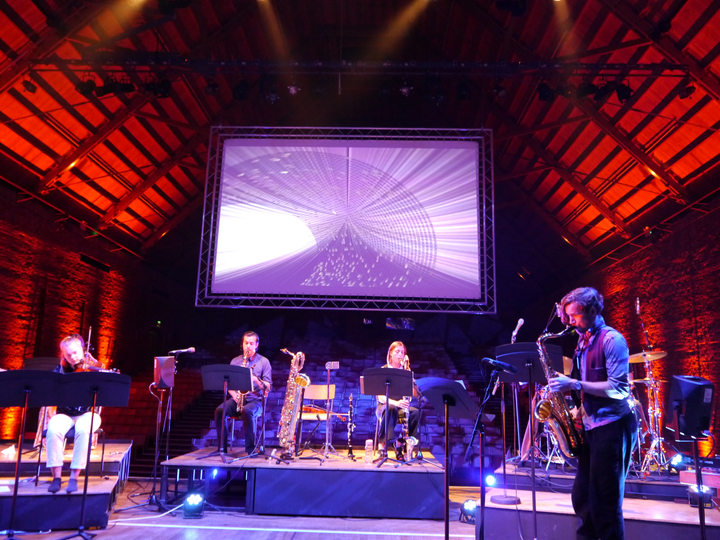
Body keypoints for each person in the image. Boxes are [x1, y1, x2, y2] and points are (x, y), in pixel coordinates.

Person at [548, 287, 637, 540]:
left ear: (593, 311)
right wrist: (578, 407)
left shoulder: (612, 340)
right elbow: (589, 381)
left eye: (574, 315)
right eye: (568, 317)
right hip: (591, 425)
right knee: (583, 497)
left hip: (613, 426)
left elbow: (619, 390)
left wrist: (574, 385)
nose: (570, 322)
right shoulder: (583, 337)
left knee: (605, 503)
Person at [46, 334, 103, 493]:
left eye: (75, 353)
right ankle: (56, 477)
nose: (72, 357)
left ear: (82, 351)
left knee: (84, 429)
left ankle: (74, 477)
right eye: (68, 354)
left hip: (86, 413)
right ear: (63, 355)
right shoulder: (59, 371)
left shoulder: (91, 368)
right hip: (65, 414)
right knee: (53, 429)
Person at [214, 331, 272, 454]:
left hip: (256, 400)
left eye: (251, 343)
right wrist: (233, 394)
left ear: (257, 345)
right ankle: (221, 448)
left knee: (247, 410)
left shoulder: (264, 362)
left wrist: (256, 379)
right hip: (238, 399)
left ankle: (250, 449)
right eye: (246, 343)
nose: (248, 347)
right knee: (220, 411)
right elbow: (228, 383)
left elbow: (268, 387)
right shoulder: (235, 361)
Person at [377, 341, 420, 457]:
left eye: (402, 352)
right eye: (397, 352)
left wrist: (412, 380)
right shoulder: (384, 370)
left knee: (415, 412)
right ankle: (383, 445)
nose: (400, 354)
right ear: (390, 353)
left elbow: (414, 394)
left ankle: (402, 442)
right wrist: (396, 403)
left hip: (401, 406)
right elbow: (380, 397)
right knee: (390, 409)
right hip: (386, 404)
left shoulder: (406, 371)